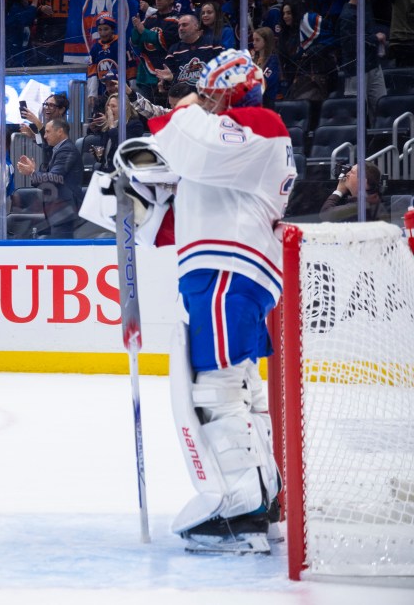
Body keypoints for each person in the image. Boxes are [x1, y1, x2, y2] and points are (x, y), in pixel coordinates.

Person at [143, 49, 294, 553]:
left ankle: (241, 511)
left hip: (229, 270)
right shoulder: (242, 138)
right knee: (242, 386)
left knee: (216, 387)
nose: (203, 99)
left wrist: (182, 108)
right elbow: (190, 190)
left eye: (210, 90)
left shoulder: (258, 124)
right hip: (230, 268)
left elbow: (196, 150)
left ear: (232, 89)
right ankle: (264, 500)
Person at [16, 118, 83, 239]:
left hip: (65, 212)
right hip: (60, 211)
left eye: (47, 132)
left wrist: (32, 172)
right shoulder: (59, 149)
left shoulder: (67, 149)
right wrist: (34, 171)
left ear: (60, 132)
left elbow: (54, 177)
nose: (45, 136)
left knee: (62, 253)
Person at [338, 0, 388, 116]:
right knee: (359, 112)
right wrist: (374, 38)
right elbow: (350, 45)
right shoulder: (347, 15)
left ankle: (380, 138)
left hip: (373, 66)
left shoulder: (365, 5)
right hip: (356, 71)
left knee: (381, 106)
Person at [157, 13, 223, 89]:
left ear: (196, 26)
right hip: (183, 97)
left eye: (184, 25)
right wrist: (169, 80)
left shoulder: (212, 44)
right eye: (179, 26)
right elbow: (170, 84)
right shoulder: (174, 50)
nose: (180, 28)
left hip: (207, 96)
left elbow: (223, 72)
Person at [320, 162, 386, 222]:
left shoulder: (363, 205)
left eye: (351, 172)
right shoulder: (371, 199)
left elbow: (325, 214)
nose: (347, 174)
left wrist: (339, 191)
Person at [251, 27, 281, 107]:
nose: (254, 43)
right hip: (255, 100)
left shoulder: (273, 60)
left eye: (257, 40)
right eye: (253, 40)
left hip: (268, 101)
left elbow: (266, 81)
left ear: (266, 41)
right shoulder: (253, 59)